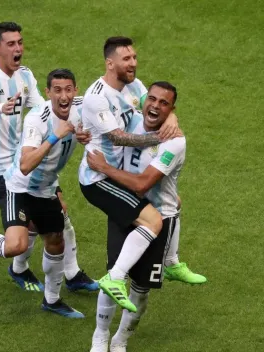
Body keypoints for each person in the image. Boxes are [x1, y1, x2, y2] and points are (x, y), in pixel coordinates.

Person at [0, 69, 88, 318]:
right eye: (57, 90)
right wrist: (57, 135)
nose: (63, 96)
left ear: (75, 91)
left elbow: (112, 104)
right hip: (18, 188)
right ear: (47, 93)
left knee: (55, 240)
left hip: (46, 189)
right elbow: (25, 164)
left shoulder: (84, 107)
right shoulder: (37, 119)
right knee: (15, 245)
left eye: (68, 89)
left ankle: (52, 301)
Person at [0, 21, 97, 292]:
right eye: (11, 44)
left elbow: (44, 110)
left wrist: (76, 120)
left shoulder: (25, 75)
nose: (18, 48)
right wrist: (2, 106)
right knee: (24, 232)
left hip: (23, 158)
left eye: (20, 43)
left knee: (57, 212)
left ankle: (67, 275)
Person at [87, 81, 203, 351]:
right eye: (152, 99)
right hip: (126, 209)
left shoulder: (175, 142)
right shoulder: (129, 121)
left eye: (165, 104)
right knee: (112, 277)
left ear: (171, 109)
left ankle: (120, 340)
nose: (156, 106)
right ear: (142, 100)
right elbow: (95, 107)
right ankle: (100, 336)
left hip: (159, 218)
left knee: (141, 288)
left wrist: (105, 168)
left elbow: (142, 184)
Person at [78, 36, 180, 313]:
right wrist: (160, 136)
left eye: (134, 57)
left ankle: (169, 263)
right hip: (98, 178)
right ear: (110, 63)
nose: (133, 63)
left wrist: (172, 118)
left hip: (116, 174)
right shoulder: (97, 97)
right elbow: (118, 137)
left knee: (169, 204)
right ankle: (115, 278)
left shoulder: (133, 85)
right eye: (127, 59)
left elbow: (154, 105)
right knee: (153, 220)